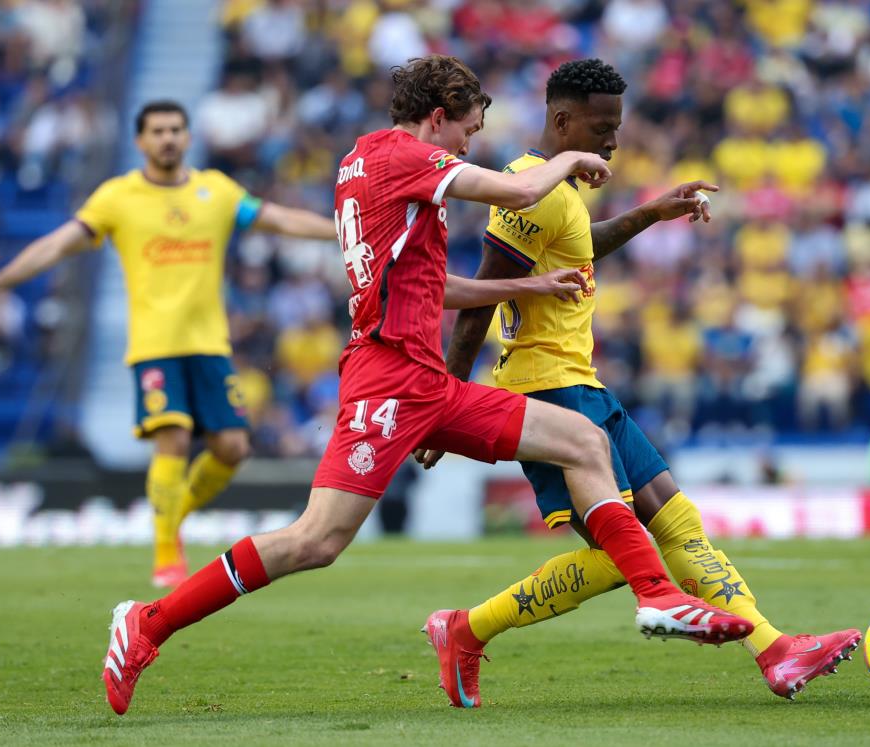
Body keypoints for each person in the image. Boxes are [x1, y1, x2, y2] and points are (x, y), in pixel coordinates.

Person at [96, 55, 752, 717]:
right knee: (315, 540)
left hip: (426, 381)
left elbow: (432, 285)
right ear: (436, 118)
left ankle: (657, 594)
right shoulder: (399, 155)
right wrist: (568, 162)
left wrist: (525, 286)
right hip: (386, 383)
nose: (469, 143)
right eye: (467, 130)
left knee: (583, 441)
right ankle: (147, 623)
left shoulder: (365, 163)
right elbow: (519, 192)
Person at [416, 59, 860, 706]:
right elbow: (479, 299)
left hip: (585, 386)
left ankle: (776, 650)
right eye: (603, 127)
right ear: (562, 120)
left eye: (617, 127)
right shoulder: (525, 192)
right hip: (546, 393)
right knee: (612, 558)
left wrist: (651, 213)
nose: (614, 142)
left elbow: (579, 246)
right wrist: (444, 402)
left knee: (679, 520)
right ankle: (464, 628)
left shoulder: (557, 192)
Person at [0, 100, 342, 589]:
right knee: (171, 436)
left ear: (188, 137)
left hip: (210, 345)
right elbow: (59, 243)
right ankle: (165, 551)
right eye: (157, 131)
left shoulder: (215, 191)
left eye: (175, 129)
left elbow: (279, 219)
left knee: (233, 448)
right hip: (155, 345)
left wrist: (344, 232)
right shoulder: (117, 197)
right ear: (140, 141)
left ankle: (171, 517)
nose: (167, 138)